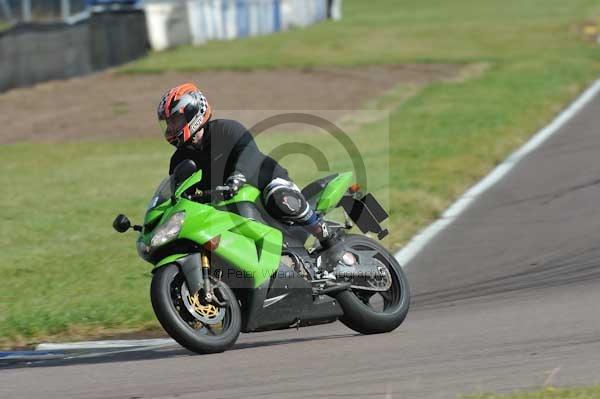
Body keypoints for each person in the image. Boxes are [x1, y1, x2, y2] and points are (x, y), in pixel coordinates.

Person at [157, 83, 331, 247]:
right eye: (168, 122)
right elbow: (178, 196)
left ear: (193, 113)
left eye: (175, 120)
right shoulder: (179, 160)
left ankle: (323, 233)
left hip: (266, 184)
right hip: (229, 206)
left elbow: (248, 154)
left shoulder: (226, 130)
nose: (171, 127)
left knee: (279, 198)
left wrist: (237, 178)